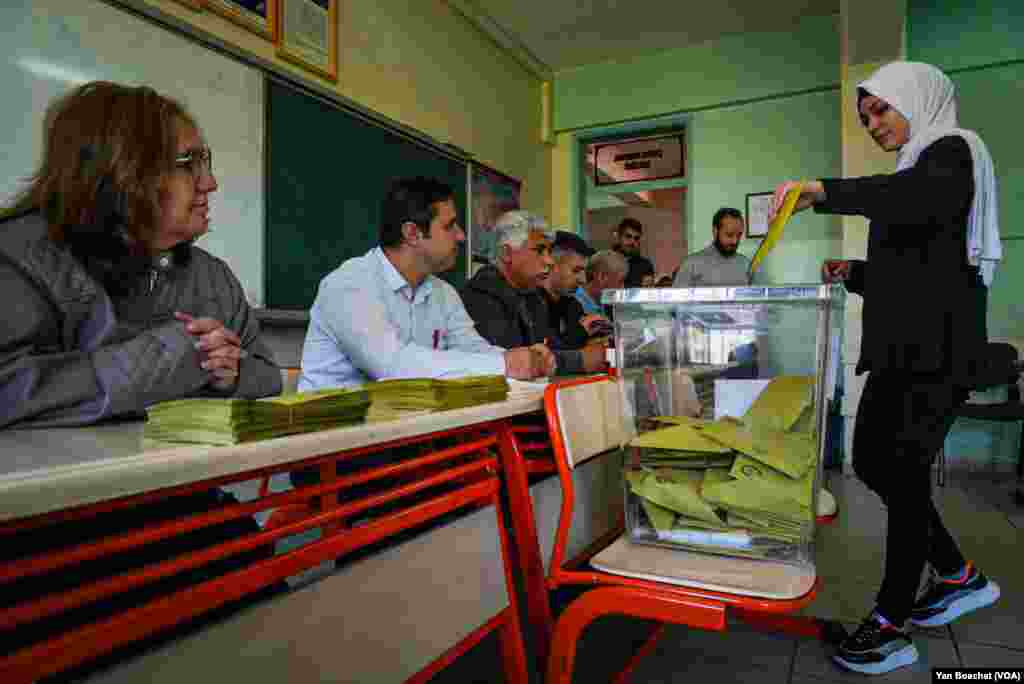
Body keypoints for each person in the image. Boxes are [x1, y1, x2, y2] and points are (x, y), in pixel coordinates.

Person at [0, 81, 280, 670]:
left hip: (176, 504)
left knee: (269, 610)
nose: (210, 183)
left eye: (205, 163)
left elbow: (268, 375)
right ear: (123, 173)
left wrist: (230, 375)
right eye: (188, 164)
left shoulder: (212, 276)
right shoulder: (20, 257)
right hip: (47, 536)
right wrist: (166, 357)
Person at [770, 61, 1001, 675]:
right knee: (875, 459)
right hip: (908, 349)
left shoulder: (952, 153)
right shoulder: (920, 167)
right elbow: (923, 265)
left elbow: (914, 204)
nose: (873, 124)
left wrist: (823, 190)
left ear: (915, 100)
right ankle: (955, 572)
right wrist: (858, 273)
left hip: (937, 354)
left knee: (899, 472)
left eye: (880, 109)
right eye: (864, 116)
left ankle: (889, 623)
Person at [298, 178, 551, 390]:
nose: (462, 236)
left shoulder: (444, 292)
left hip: (400, 433)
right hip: (332, 438)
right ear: (412, 234)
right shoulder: (349, 284)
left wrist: (529, 357)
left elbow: (473, 350)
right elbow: (392, 366)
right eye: (450, 225)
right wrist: (505, 364)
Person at [459, 211, 574, 375]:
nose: (550, 261)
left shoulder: (533, 296)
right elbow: (519, 363)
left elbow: (552, 350)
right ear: (506, 253)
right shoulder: (479, 297)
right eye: (540, 251)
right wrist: (579, 360)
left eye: (549, 252)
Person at [542, 231, 610, 371]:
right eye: (576, 270)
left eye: (583, 272)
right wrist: (581, 331)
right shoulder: (531, 305)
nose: (582, 280)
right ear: (551, 265)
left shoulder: (573, 304)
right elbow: (548, 355)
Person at [674, 207, 752, 286]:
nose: (735, 241)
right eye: (729, 235)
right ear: (715, 231)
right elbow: (676, 297)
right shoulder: (692, 264)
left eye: (739, 235)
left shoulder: (746, 265)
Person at [574, 249, 628, 316]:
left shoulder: (602, 304)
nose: (623, 288)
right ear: (601, 277)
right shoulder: (573, 306)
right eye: (620, 281)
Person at [612, 217, 656, 288]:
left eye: (636, 238)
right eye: (628, 236)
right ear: (619, 237)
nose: (632, 242)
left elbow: (648, 293)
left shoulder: (646, 265)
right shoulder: (607, 262)